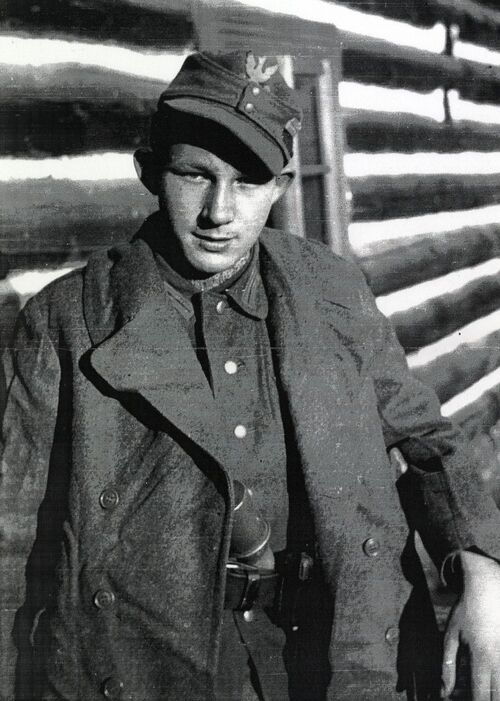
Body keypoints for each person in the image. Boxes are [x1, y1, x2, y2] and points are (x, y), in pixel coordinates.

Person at [1, 50, 500, 701]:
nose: (219, 211)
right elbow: (11, 541)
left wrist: (482, 564)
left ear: (281, 187)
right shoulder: (65, 323)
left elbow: (426, 438)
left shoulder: (331, 289)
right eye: (195, 175)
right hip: (156, 666)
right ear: (148, 171)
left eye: (248, 182)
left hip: (327, 649)